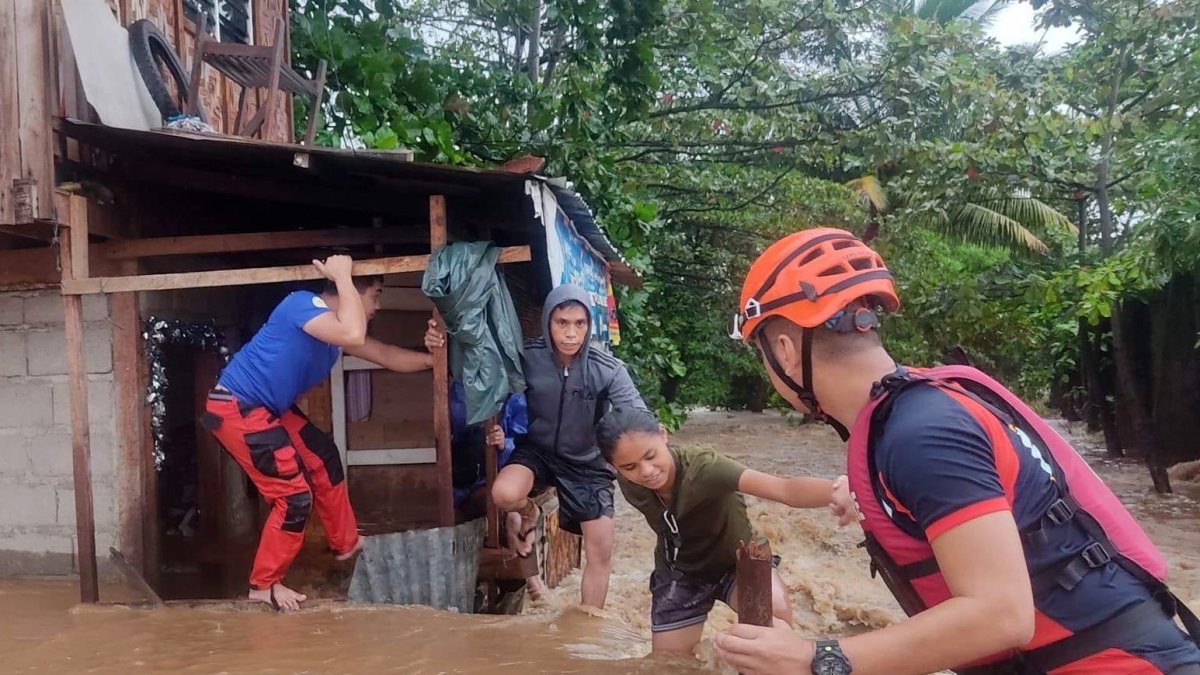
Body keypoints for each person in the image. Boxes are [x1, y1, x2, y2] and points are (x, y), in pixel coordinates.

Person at [715, 228, 1200, 675]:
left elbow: (1001, 616)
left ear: (782, 349)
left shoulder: (921, 434)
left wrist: (817, 658)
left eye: (762, 356)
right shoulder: (918, 414)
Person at [202, 255, 442, 611]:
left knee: (323, 458)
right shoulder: (302, 304)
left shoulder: (333, 333)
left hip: (270, 410)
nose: (377, 305)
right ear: (352, 292)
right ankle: (262, 585)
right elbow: (354, 331)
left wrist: (431, 359)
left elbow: (387, 354)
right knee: (294, 495)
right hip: (237, 408)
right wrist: (344, 275)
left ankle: (345, 543)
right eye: (374, 295)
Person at [440, 283, 648, 608]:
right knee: (504, 494)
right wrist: (437, 346)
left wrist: (631, 453)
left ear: (588, 325)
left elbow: (637, 416)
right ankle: (530, 511)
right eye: (561, 323)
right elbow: (484, 372)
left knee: (601, 548)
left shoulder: (607, 370)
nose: (570, 333)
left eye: (579, 324)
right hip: (537, 453)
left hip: (587, 463)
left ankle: (588, 629)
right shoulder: (527, 357)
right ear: (547, 323)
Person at [595, 406, 851, 655]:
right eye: (630, 467)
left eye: (650, 456)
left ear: (663, 434)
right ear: (614, 466)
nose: (646, 471)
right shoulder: (628, 483)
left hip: (738, 565)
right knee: (668, 664)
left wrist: (845, 492)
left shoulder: (705, 467)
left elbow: (783, 489)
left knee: (775, 617)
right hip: (681, 573)